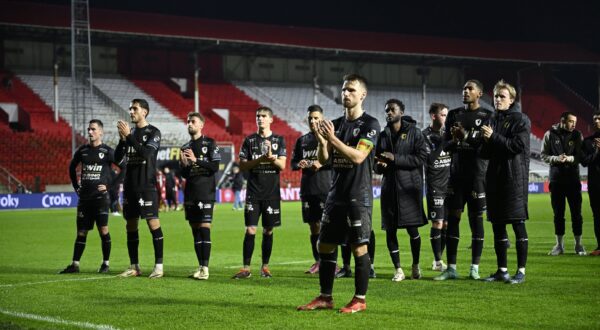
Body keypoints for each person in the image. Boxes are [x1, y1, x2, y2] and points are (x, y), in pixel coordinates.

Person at [297, 73, 380, 314]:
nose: (346, 94)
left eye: (351, 90)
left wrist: (332, 138)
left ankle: (360, 299)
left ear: (362, 95)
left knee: (358, 247)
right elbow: (324, 160)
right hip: (335, 195)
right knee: (325, 244)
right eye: (344, 90)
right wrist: (324, 143)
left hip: (358, 195)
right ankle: (325, 297)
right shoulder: (336, 123)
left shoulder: (370, 124)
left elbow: (358, 157)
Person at [435, 79, 493, 281]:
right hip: (456, 177)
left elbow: (485, 147)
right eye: (464, 88)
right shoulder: (453, 115)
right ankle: (451, 267)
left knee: (476, 222)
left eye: (470, 89)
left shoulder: (487, 116)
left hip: (477, 176)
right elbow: (445, 146)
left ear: (480, 93)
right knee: (453, 221)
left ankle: (474, 268)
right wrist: (456, 139)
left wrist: (465, 136)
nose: (465, 91)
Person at [60, 119, 125, 274]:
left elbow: (124, 168)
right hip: (84, 200)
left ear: (100, 132)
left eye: (93, 129)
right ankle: (75, 265)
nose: (90, 132)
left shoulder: (108, 151)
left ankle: (105, 264)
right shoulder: (83, 151)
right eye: (89, 129)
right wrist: (76, 187)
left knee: (103, 230)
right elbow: (71, 167)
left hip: (100, 199)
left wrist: (109, 187)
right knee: (81, 232)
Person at [481, 80, 530, 284]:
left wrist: (493, 137)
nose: (498, 99)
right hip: (494, 179)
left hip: (513, 179)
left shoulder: (521, 120)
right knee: (497, 226)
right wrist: (483, 142)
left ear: (511, 100)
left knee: (517, 224)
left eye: (502, 96)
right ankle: (502, 270)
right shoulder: (491, 118)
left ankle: (521, 271)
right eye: (496, 96)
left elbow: (517, 146)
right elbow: (485, 152)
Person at [375, 99, 428, 282]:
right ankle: (398, 269)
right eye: (386, 110)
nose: (389, 112)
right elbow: (377, 163)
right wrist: (379, 166)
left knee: (413, 231)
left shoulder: (415, 132)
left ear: (401, 112)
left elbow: (421, 158)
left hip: (409, 190)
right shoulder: (383, 135)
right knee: (390, 231)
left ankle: (415, 265)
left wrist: (395, 158)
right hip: (389, 189)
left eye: (392, 109)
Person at [232, 106, 287, 279]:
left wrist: (272, 158)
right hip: (253, 193)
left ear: (271, 119)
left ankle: (265, 267)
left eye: (263, 116)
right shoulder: (249, 141)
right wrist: (261, 159)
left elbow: (283, 166)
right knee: (250, 230)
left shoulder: (279, 139)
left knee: (268, 231)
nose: (260, 119)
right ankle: (246, 268)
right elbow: (242, 165)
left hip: (271, 194)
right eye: (258, 116)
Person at [115, 98, 165, 278]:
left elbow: (147, 154)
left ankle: (159, 266)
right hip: (129, 186)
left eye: (134, 109)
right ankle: (134, 266)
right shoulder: (130, 132)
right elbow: (118, 160)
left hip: (146, 186)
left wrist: (129, 137)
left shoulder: (153, 132)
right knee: (130, 225)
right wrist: (122, 141)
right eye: (130, 109)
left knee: (153, 224)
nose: (131, 112)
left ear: (145, 111)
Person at [291, 105, 332, 274]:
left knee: (326, 226)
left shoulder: (329, 138)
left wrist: (321, 163)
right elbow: (293, 163)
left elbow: (334, 160)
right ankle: (318, 261)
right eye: (310, 118)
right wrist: (299, 164)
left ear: (321, 119)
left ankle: (331, 262)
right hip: (308, 189)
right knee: (313, 227)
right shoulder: (302, 140)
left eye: (316, 118)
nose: (313, 121)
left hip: (325, 188)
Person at [180, 112, 221, 280]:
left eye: (193, 121)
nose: (189, 123)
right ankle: (200, 267)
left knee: (205, 229)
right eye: (188, 121)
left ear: (201, 125)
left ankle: (206, 268)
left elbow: (215, 166)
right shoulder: (184, 147)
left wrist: (196, 160)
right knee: (195, 230)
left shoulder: (210, 143)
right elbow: (184, 174)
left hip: (206, 193)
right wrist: (184, 166)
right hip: (191, 193)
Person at [541, 111, 586, 256]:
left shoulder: (577, 135)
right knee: (558, 214)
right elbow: (543, 155)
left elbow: (581, 156)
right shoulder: (549, 134)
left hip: (573, 180)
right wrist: (556, 159)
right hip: (556, 180)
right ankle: (559, 246)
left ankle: (578, 245)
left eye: (575, 122)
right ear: (562, 121)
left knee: (576, 214)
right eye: (571, 121)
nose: (574, 124)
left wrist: (570, 159)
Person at [422, 102, 451, 272]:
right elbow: (431, 160)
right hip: (435, 186)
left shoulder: (449, 134)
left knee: (447, 224)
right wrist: (443, 142)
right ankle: (438, 260)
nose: (446, 118)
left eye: (447, 115)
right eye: (443, 115)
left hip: (450, 186)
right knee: (438, 223)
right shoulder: (424, 136)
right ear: (434, 116)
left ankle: (438, 259)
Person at [581, 111, 600, 256]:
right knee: (597, 215)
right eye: (595, 119)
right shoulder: (587, 142)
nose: (597, 121)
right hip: (595, 184)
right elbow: (585, 161)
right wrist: (597, 151)